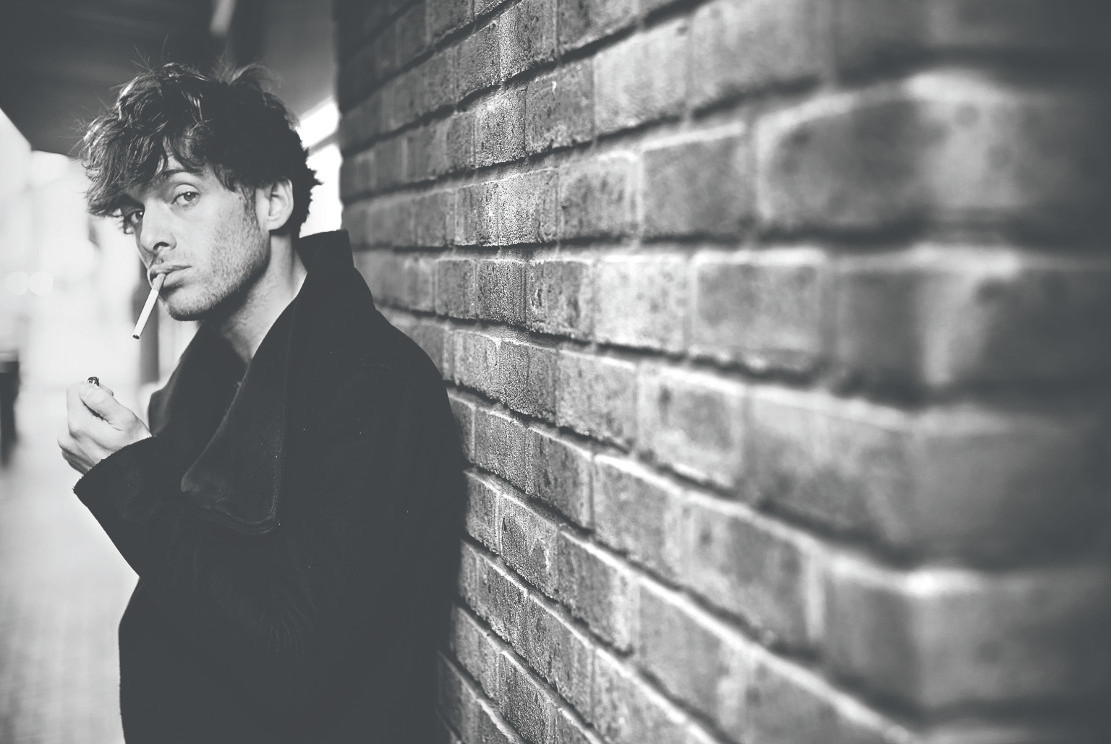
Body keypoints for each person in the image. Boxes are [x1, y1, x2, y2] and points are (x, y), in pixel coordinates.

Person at [57, 62, 464, 743]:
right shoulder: (206, 379)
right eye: (136, 212)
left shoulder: (369, 384)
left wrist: (132, 481)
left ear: (273, 201)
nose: (151, 237)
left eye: (183, 195)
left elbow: (292, 662)